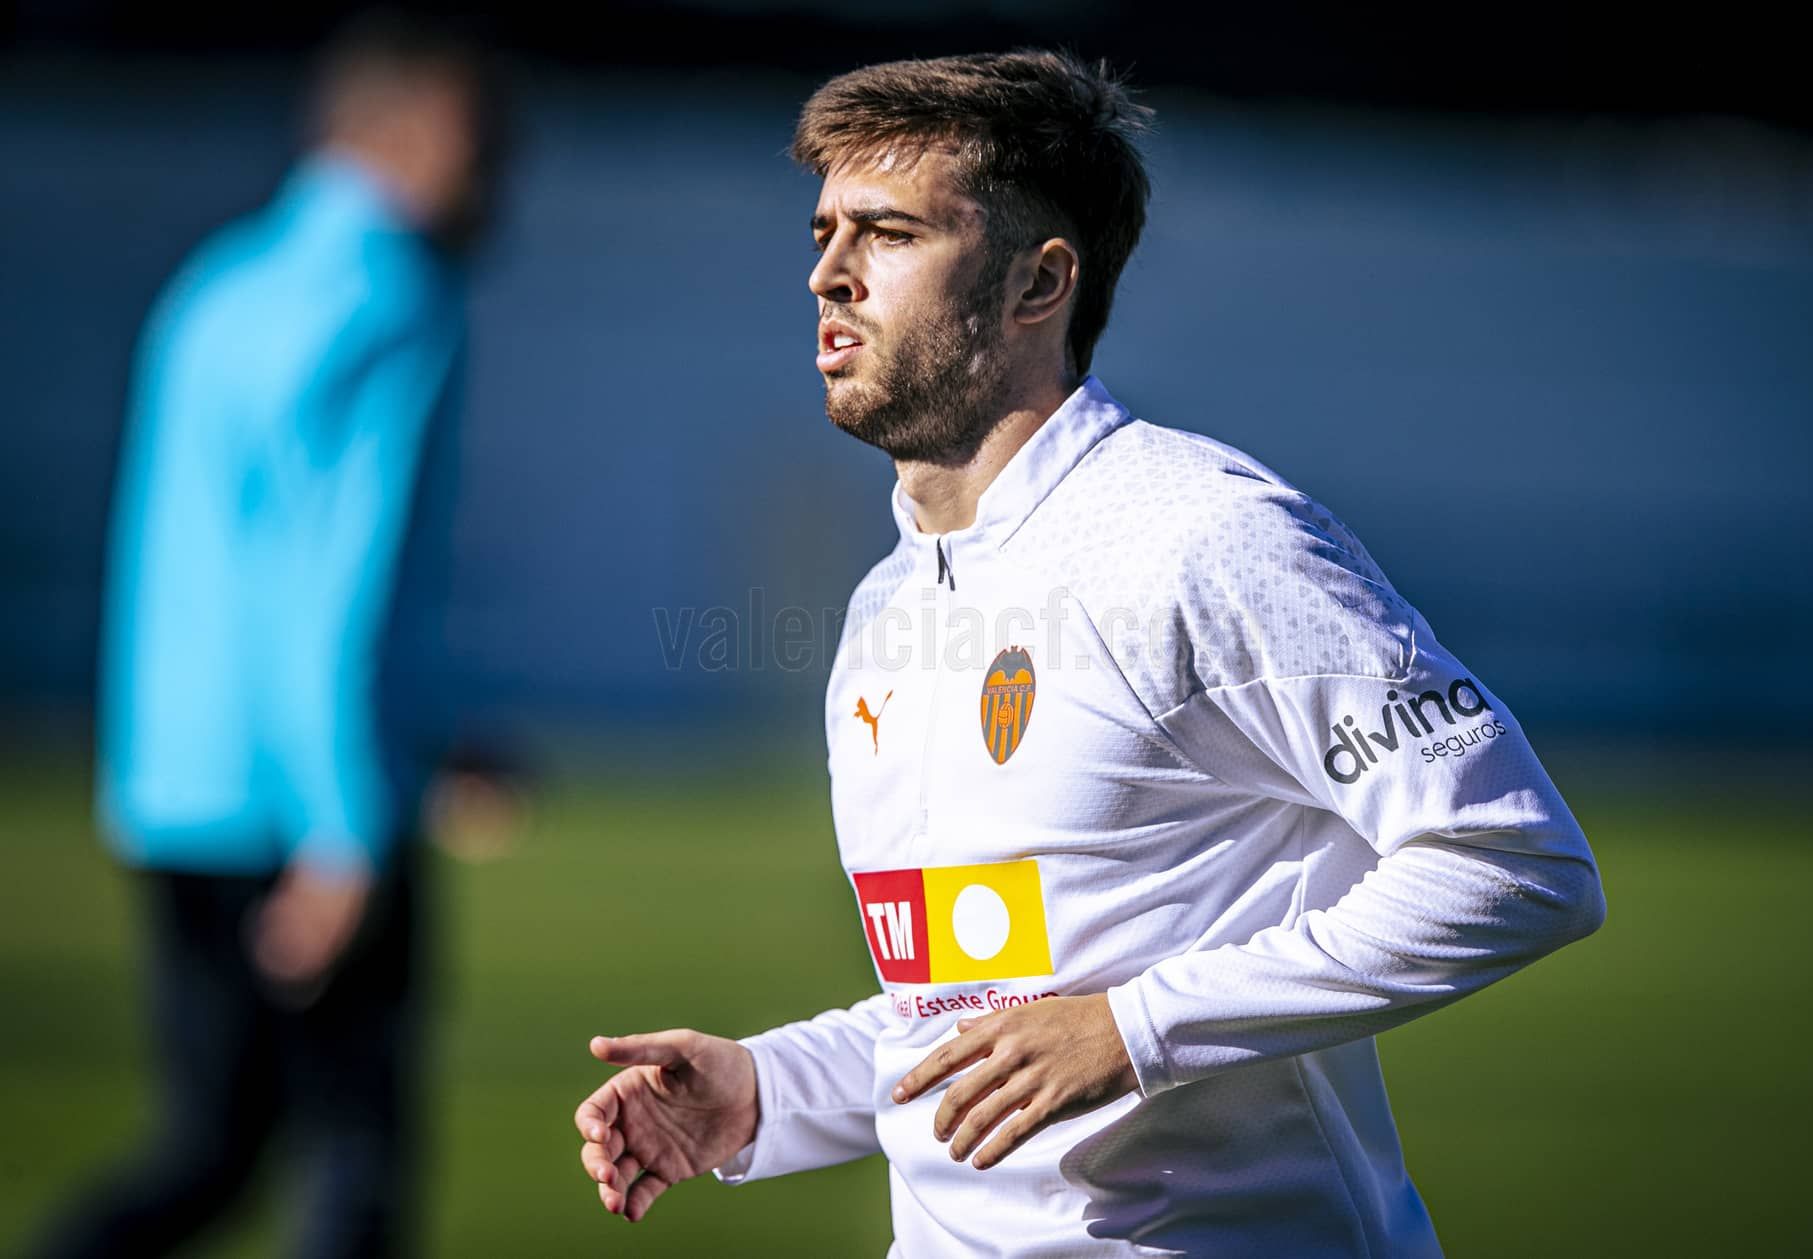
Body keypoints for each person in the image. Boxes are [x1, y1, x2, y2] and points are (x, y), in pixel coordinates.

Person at [575, 51, 1605, 1256]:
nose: (827, 274)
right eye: (823, 230)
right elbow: (981, 1001)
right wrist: (766, 1089)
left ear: (1037, 283)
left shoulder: (1203, 534)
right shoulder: (882, 610)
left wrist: (1138, 1026)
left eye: (889, 232)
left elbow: (1515, 860)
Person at [33, 16, 508, 1259]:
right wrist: (347, 828)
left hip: (177, 788)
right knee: (355, 1165)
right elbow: (330, 588)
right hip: (312, 802)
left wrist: (428, 737)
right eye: (483, 138)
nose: (499, 171)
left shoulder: (220, 282)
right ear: (419, 130)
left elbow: (231, 566)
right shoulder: (396, 294)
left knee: (212, 1146)